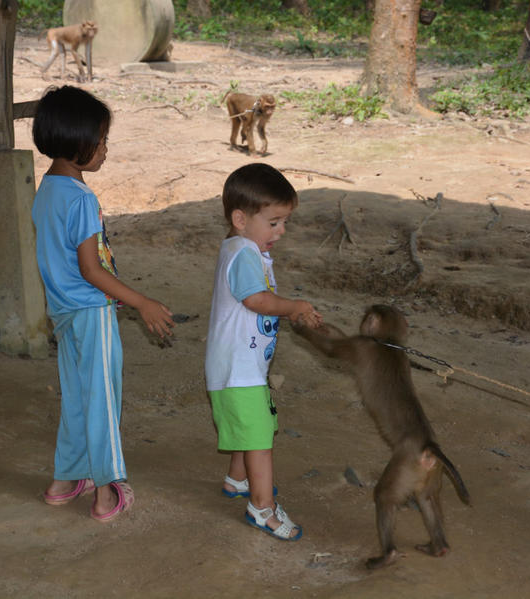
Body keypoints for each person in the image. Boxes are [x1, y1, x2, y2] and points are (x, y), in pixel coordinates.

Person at [31, 85, 175, 521]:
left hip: (63, 312)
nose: (106, 150)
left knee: (78, 396)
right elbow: (93, 270)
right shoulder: (81, 199)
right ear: (76, 141)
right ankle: (108, 490)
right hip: (92, 312)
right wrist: (141, 302)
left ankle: (65, 481)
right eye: (101, 140)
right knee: (104, 400)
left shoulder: (48, 190)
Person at [204, 163, 322, 541]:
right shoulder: (243, 253)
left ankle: (238, 479)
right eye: (274, 222)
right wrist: (294, 306)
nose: (281, 231)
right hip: (237, 369)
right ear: (240, 219)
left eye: (284, 222)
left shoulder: (244, 247)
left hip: (244, 367)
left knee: (255, 427)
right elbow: (256, 300)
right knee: (260, 441)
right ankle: (261, 509)